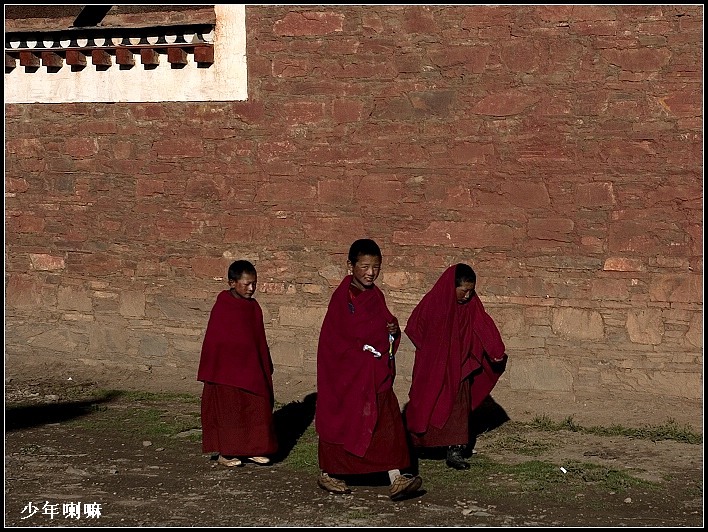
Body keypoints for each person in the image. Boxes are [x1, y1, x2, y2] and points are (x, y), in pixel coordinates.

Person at [315, 238, 423, 501]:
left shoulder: (376, 295)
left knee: (387, 421)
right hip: (347, 375)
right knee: (342, 420)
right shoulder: (342, 298)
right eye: (364, 266)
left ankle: (396, 477)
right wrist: (357, 356)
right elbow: (335, 339)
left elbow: (384, 323)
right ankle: (330, 473)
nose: (370, 273)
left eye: (376, 267)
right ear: (350, 265)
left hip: (374, 373)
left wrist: (392, 331)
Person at [404, 263, 507, 470]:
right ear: (452, 287)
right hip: (433, 365)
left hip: (461, 365)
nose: (467, 296)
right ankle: (422, 445)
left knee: (458, 408)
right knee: (425, 402)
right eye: (463, 290)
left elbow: (483, 324)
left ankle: (456, 450)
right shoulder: (434, 302)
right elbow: (415, 326)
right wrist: (433, 352)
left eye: (471, 291)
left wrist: (496, 351)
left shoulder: (471, 305)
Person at [197, 259, 277, 467]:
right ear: (232, 283)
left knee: (256, 408)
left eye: (254, 284)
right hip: (227, 372)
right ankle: (227, 453)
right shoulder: (223, 306)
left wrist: (264, 361)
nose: (251, 289)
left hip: (251, 368)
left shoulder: (253, 307)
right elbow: (216, 341)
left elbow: (259, 338)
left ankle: (253, 449)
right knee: (230, 412)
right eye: (246, 284)